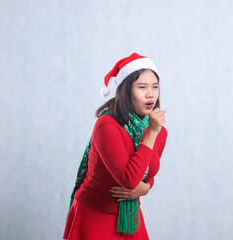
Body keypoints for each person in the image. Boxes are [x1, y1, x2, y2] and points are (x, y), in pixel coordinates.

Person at [63, 53, 168, 240]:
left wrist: (147, 187)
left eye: (155, 87)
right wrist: (151, 133)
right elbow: (128, 179)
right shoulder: (107, 126)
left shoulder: (157, 130)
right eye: (142, 87)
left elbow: (148, 171)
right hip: (95, 215)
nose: (150, 93)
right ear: (126, 91)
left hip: (129, 217)